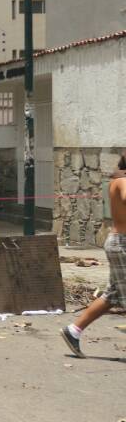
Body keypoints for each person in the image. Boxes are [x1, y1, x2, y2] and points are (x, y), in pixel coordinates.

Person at [61, 151, 126, 358]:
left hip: (118, 242)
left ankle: (74, 330)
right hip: (122, 243)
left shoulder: (118, 180)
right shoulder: (123, 181)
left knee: (112, 295)